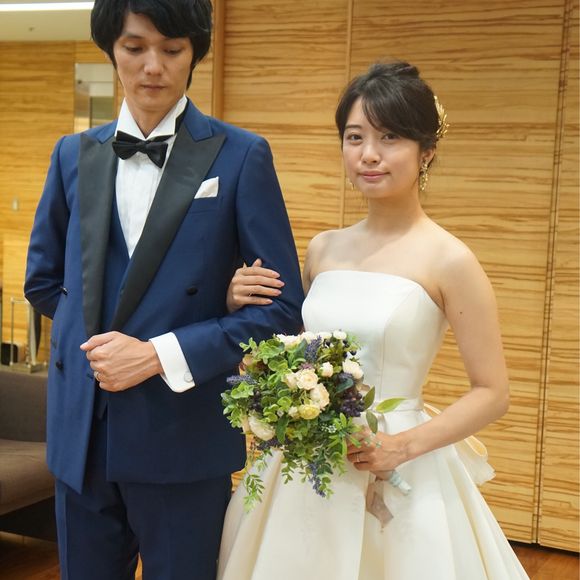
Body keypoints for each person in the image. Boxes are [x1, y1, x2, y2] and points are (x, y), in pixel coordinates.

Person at [24, 1, 303, 578]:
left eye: (172, 49)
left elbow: (282, 309)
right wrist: (96, 348)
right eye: (134, 48)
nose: (153, 66)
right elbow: (44, 282)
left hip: (183, 438)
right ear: (111, 50)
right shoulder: (73, 154)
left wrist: (156, 354)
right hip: (82, 439)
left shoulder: (241, 155)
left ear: (194, 53)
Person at [218, 61, 529, 579]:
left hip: (399, 455)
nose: (368, 154)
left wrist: (401, 447)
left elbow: (492, 392)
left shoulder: (449, 260)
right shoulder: (323, 249)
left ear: (426, 151)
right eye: (355, 136)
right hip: (307, 459)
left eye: (390, 137)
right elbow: (291, 352)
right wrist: (235, 302)